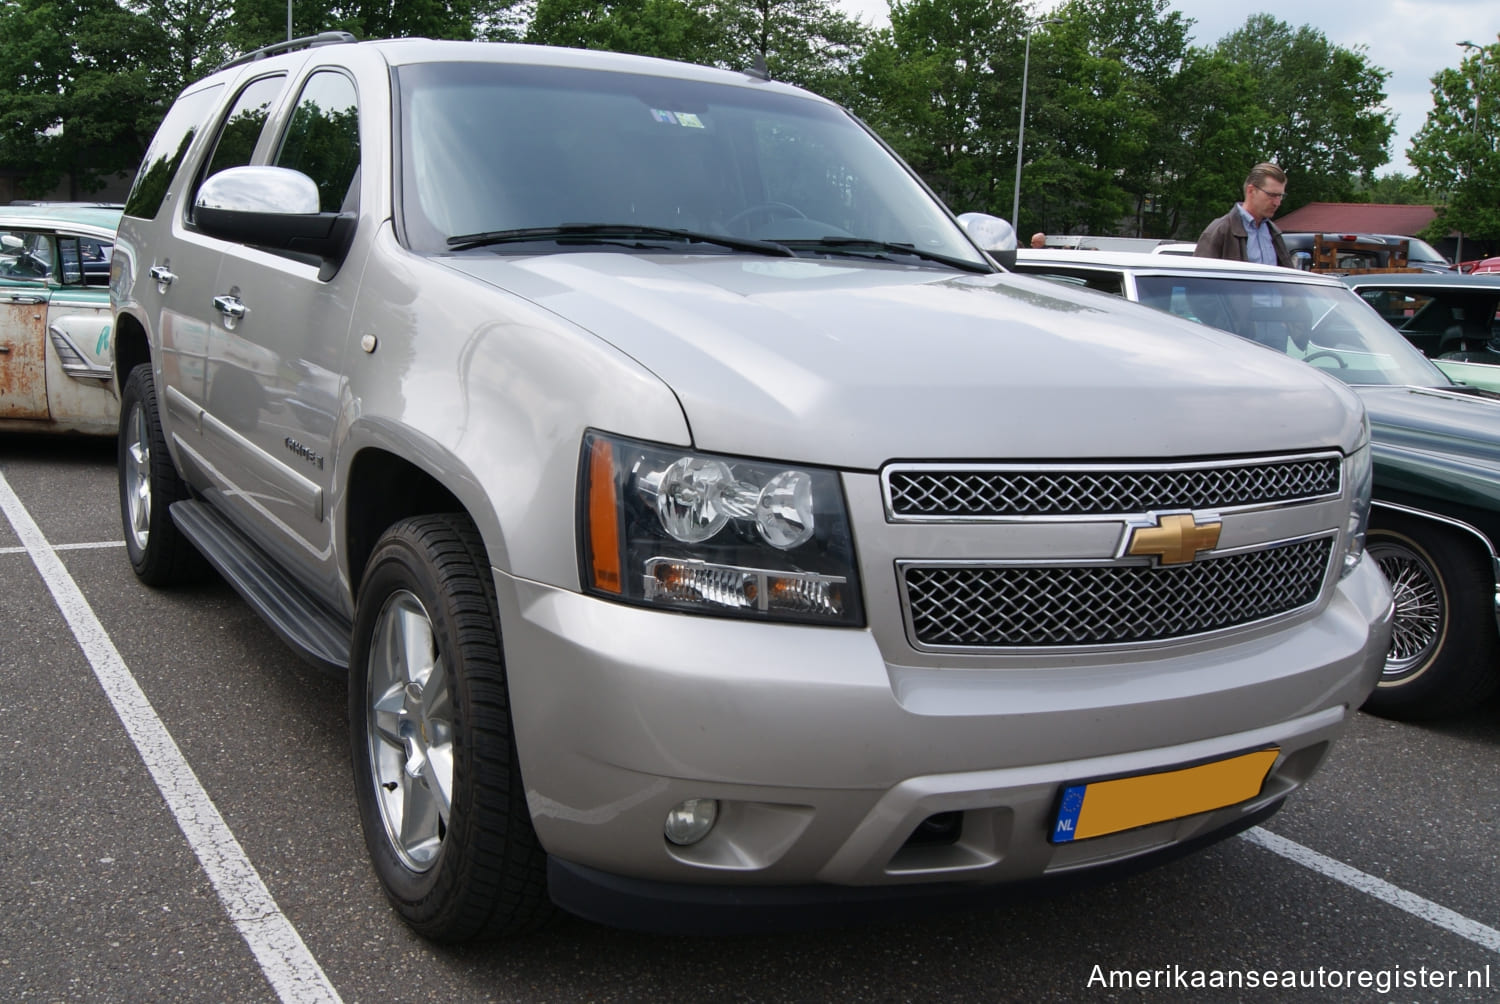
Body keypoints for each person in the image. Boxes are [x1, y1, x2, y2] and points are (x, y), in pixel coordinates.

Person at [1195, 163, 1292, 268]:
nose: (1277, 203)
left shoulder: (1273, 232)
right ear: (1251, 191)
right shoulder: (1221, 230)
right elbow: (1200, 278)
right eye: (1272, 195)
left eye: (1280, 196)